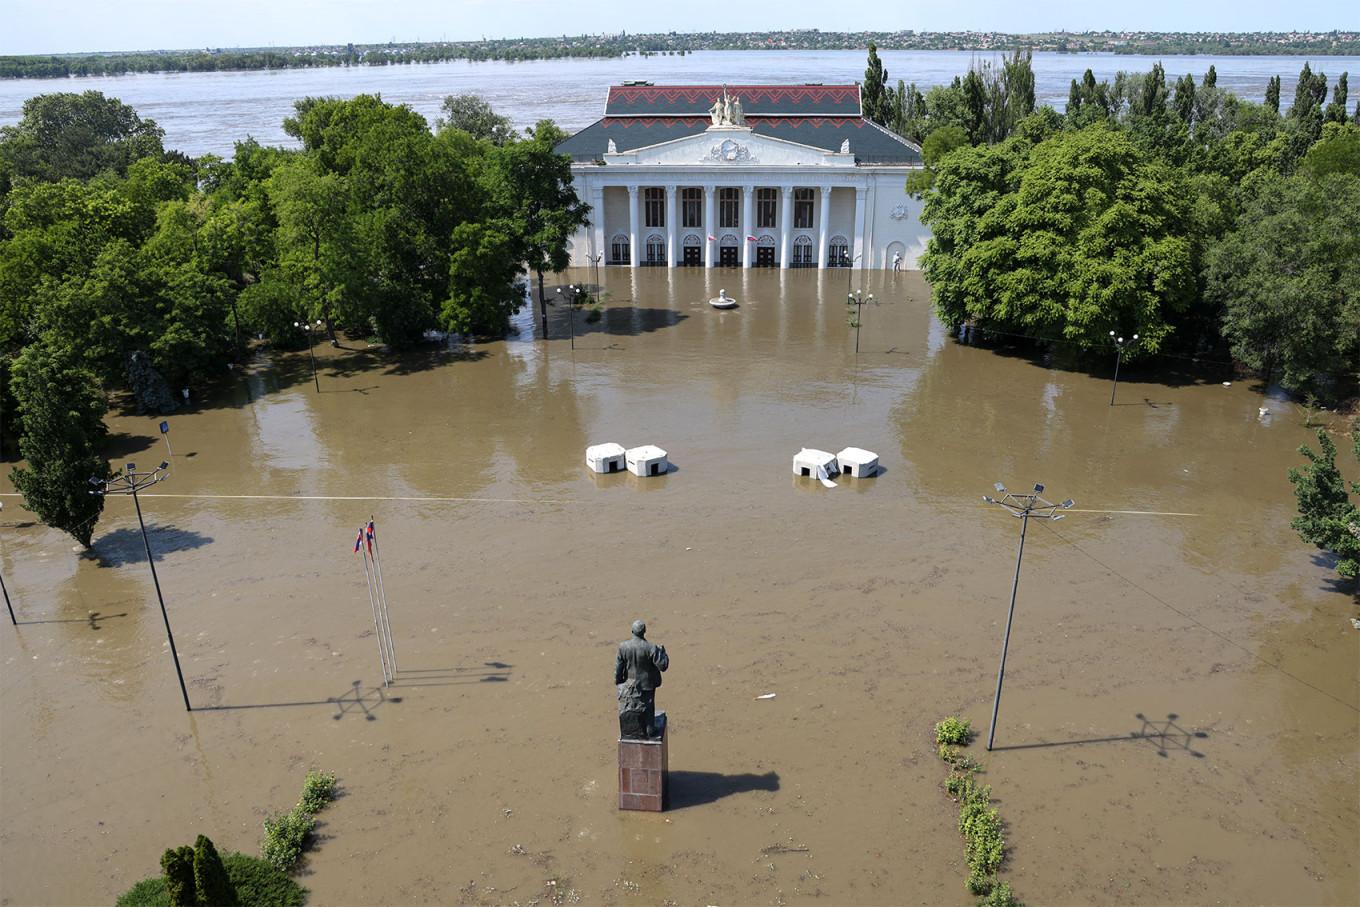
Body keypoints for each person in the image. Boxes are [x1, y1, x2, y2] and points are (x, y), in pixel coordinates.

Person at [615, 619, 669, 739]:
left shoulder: (623, 647)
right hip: (647, 684)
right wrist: (663, 653)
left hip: (629, 683)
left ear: (632, 631)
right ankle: (650, 730)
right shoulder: (651, 648)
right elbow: (663, 666)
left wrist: (619, 681)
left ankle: (633, 730)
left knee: (631, 706)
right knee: (648, 707)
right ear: (644, 631)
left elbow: (618, 666)